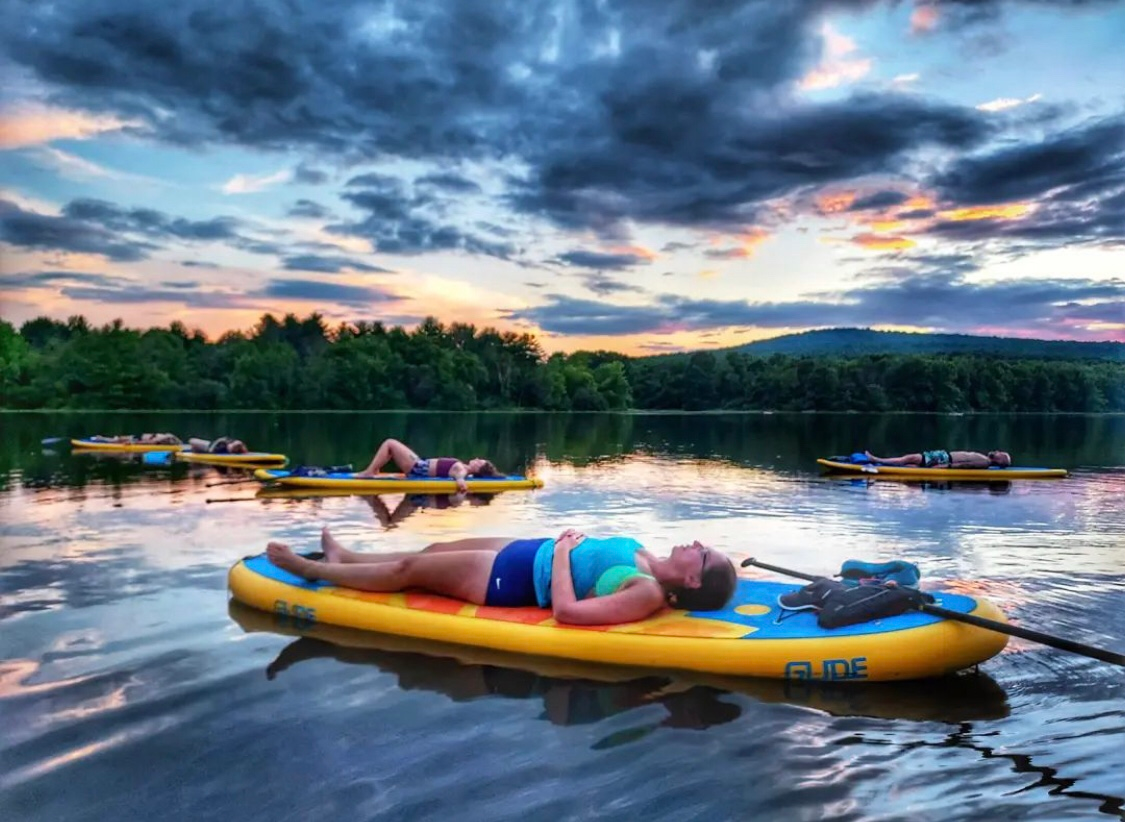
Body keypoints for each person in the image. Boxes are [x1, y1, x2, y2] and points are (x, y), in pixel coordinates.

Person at [266, 527, 738, 625]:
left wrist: (559, 555)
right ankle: (347, 557)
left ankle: (313, 570)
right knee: (429, 549)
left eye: (702, 553)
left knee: (411, 572)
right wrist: (560, 547)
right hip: (522, 550)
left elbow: (569, 613)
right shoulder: (648, 556)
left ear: (692, 582)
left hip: (508, 581)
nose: (696, 544)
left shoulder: (647, 592)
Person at [357, 438, 500, 493]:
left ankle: (369, 472)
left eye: (479, 461)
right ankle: (374, 469)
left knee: (389, 443)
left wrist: (461, 483)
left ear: (477, 470)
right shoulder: (462, 466)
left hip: (418, 467)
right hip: (419, 465)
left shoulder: (462, 469)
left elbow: (460, 477)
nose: (476, 458)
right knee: (390, 523)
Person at [864, 449, 1012, 469]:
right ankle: (881, 463)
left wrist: (944, 467)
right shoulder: (985, 459)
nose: (997, 451)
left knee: (910, 458)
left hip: (943, 459)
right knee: (910, 461)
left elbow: (962, 465)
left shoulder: (984, 462)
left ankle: (876, 460)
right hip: (943, 457)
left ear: (999, 461)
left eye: (1000, 454)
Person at [89, 433, 182, 445]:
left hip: (138, 439)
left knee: (118, 440)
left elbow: (148, 442)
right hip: (139, 437)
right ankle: (102, 438)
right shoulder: (167, 437)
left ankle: (101, 438)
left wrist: (134, 443)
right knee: (118, 439)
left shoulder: (159, 440)